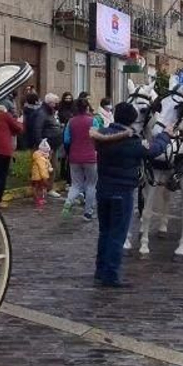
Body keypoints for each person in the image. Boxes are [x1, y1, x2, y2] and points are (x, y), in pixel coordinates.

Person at [92, 102, 147, 287]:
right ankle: (111, 275)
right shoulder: (132, 141)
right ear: (132, 120)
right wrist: (165, 135)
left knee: (105, 232)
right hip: (122, 192)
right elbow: (153, 151)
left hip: (103, 189)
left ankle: (100, 270)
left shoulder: (103, 135)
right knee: (118, 235)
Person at [63, 99, 99, 220]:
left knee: (76, 184)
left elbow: (67, 140)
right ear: (87, 108)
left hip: (74, 156)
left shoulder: (71, 122)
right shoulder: (93, 121)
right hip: (90, 156)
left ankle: (68, 201)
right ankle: (88, 212)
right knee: (91, 184)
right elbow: (97, 137)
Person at [30, 139, 54, 208]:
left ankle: (37, 199)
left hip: (36, 176)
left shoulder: (40, 156)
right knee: (39, 188)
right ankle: (38, 199)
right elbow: (42, 169)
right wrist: (45, 178)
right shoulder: (41, 158)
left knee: (36, 188)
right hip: (39, 177)